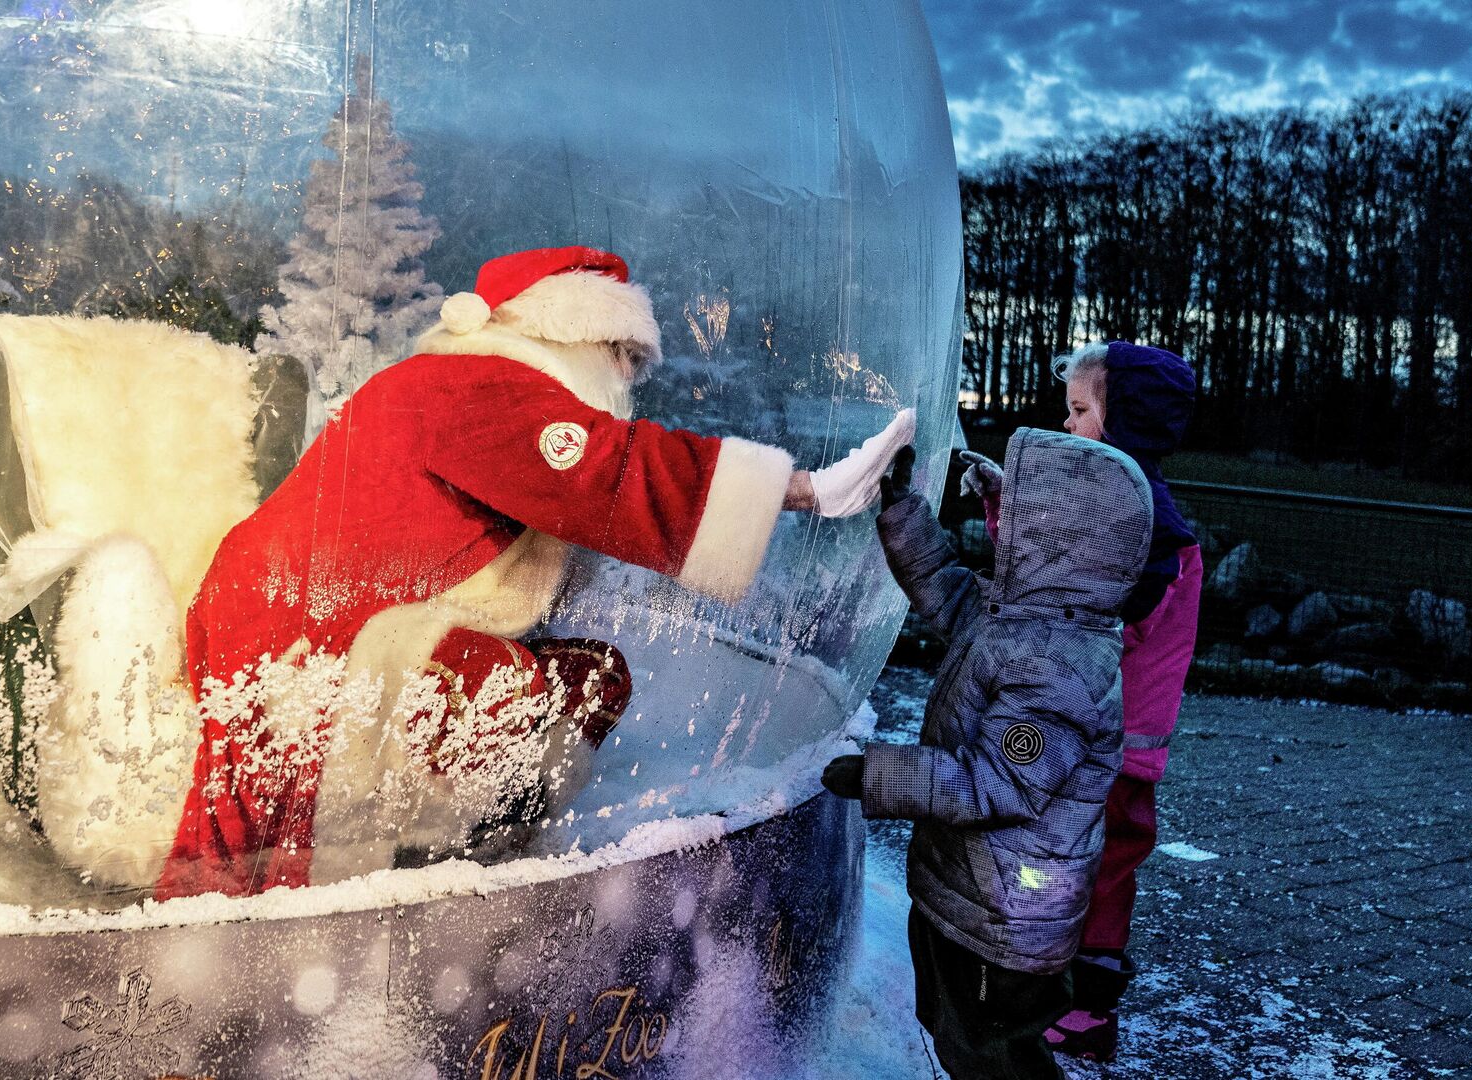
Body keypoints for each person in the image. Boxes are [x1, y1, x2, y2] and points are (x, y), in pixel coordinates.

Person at [157, 245, 914, 899]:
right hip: (301, 627)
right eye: (619, 355)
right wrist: (805, 489)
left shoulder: (456, 385)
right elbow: (607, 472)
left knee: (588, 676)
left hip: (301, 613)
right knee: (506, 689)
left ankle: (455, 846)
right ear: (571, 333)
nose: (626, 380)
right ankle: (363, 892)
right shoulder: (482, 388)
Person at [823, 426, 1153, 1080]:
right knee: (962, 1040)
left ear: (1057, 550)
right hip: (973, 895)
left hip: (1006, 926)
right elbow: (944, 586)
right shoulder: (1020, 619)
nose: (999, 526)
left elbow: (994, 786)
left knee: (995, 1060)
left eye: (1019, 522)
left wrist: (878, 775)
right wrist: (902, 511)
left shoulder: (1060, 674)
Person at [1039, 341, 1201, 1063]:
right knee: (1082, 855)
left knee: (1100, 861)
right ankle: (1059, 989)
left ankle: (1086, 1011)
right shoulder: (1126, 503)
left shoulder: (1152, 525)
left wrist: (1067, 631)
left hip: (1116, 737)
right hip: (1102, 726)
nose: (1069, 426)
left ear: (1124, 422)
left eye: (1080, 411)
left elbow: (1124, 616)